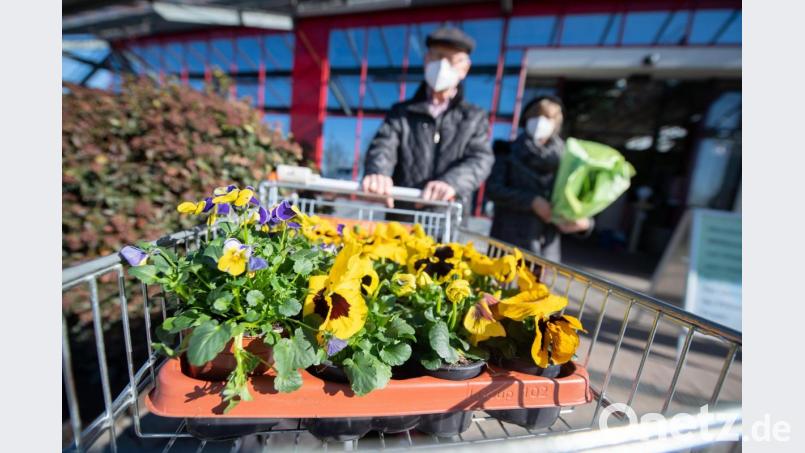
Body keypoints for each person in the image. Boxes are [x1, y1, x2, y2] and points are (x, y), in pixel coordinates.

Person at [361, 26, 494, 216]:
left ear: (464, 68)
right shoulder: (401, 113)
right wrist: (378, 172)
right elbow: (383, 145)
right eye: (438, 57)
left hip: (448, 218)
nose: (442, 66)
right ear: (426, 61)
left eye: (451, 60)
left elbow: (481, 158)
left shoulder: (474, 117)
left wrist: (452, 182)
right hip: (403, 219)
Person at [486, 95, 593, 262]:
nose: (540, 122)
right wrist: (532, 201)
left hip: (545, 247)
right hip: (507, 241)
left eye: (547, 117)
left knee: (537, 287)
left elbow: (581, 199)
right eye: (535, 116)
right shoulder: (506, 150)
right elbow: (493, 189)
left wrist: (583, 221)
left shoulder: (569, 159)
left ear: (556, 123)